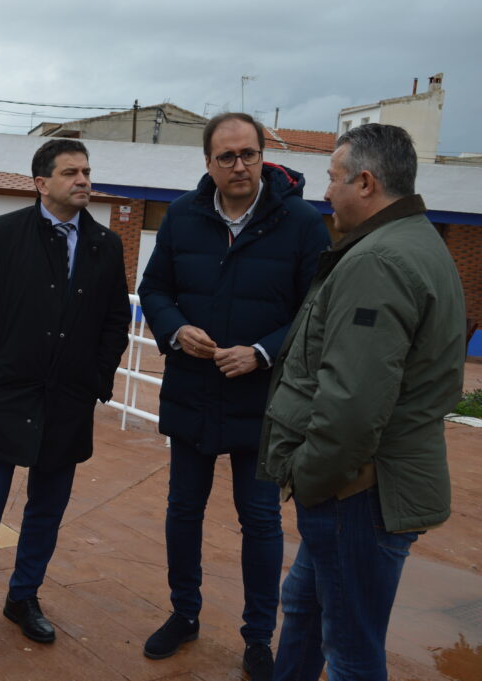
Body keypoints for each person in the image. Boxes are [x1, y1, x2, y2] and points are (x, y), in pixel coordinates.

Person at [260, 123, 466, 681]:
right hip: (359, 488)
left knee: (350, 650)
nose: (325, 193)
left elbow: (351, 403)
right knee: (304, 608)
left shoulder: (378, 261)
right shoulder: (412, 243)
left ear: (367, 183)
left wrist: (309, 475)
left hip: (357, 493)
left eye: (332, 179)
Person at [137, 112, 330, 679]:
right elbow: (154, 288)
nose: (239, 165)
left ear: (263, 155)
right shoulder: (181, 216)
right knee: (182, 511)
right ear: (208, 163)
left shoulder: (300, 223)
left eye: (249, 153)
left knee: (261, 521)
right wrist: (175, 329)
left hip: (264, 401)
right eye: (227, 156)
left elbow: (313, 311)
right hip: (192, 391)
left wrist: (263, 352)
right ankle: (184, 614)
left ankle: (256, 638)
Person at [0, 138, 131, 658]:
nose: (83, 180)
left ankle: (23, 596)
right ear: (41, 183)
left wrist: (96, 381)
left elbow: (116, 321)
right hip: (4, 397)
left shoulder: (105, 244)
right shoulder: (1, 234)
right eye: (71, 172)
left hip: (68, 402)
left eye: (87, 171)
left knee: (47, 507)